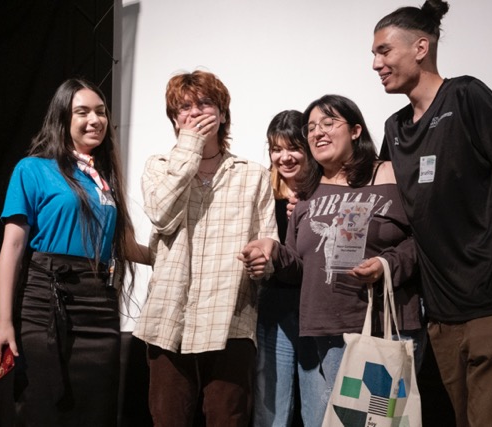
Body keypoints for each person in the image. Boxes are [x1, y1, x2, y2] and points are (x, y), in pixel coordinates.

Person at [371, 1, 492, 426]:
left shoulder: (465, 94)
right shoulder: (395, 129)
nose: (375, 64)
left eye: (383, 51)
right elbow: (374, 195)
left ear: (420, 47)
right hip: (441, 315)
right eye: (374, 54)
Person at [240, 95, 424, 427]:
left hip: (380, 329)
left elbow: (423, 240)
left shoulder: (390, 173)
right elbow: (299, 266)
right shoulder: (309, 191)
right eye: (311, 127)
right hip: (319, 329)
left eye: (328, 123)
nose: (318, 132)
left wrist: (387, 265)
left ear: (355, 130)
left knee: (378, 423)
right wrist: (273, 250)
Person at [0, 78, 150, 427]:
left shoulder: (104, 178)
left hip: (99, 304)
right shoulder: (32, 169)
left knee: (96, 411)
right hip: (49, 301)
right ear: (63, 118)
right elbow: (12, 247)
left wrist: (173, 256)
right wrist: (3, 321)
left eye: (101, 112)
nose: (95, 120)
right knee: (47, 407)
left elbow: (124, 245)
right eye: (83, 112)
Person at [133, 70, 278, 427]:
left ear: (223, 114)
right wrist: (190, 148)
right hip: (170, 317)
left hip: (229, 318)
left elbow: (269, 242)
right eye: (184, 107)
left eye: (205, 103)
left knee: (227, 418)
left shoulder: (253, 174)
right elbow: (162, 216)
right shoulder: (160, 167)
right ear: (174, 119)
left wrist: (264, 260)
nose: (195, 113)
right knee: (168, 419)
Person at [252, 110, 308, 427]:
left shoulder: (327, 191)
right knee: (271, 408)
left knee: (320, 406)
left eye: (293, 147)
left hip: (318, 307)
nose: (284, 157)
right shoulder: (263, 192)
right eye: (276, 148)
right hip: (274, 306)